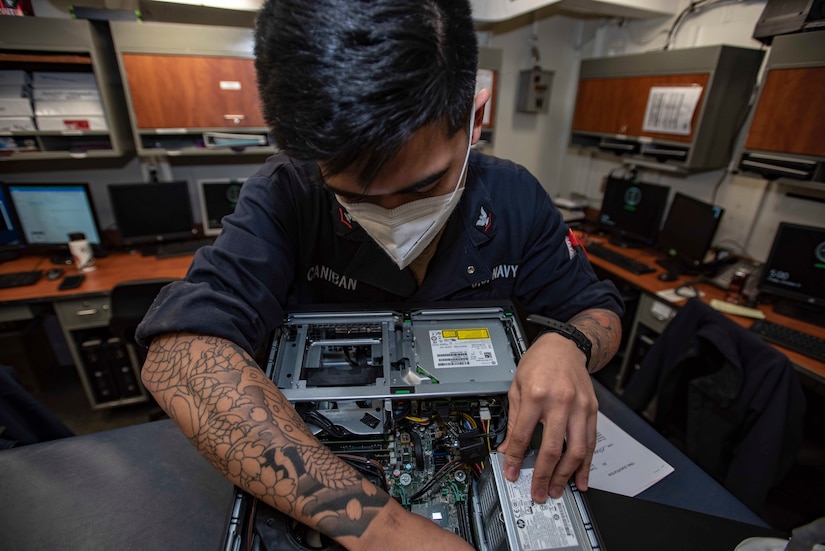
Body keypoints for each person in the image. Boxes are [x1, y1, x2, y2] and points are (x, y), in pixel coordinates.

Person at [136, 0, 624, 549]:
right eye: (351, 197)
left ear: (475, 119)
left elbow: (600, 310)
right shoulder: (285, 194)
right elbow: (179, 354)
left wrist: (570, 343)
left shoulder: (515, 198)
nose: (392, 217)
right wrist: (380, 528)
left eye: (422, 187)